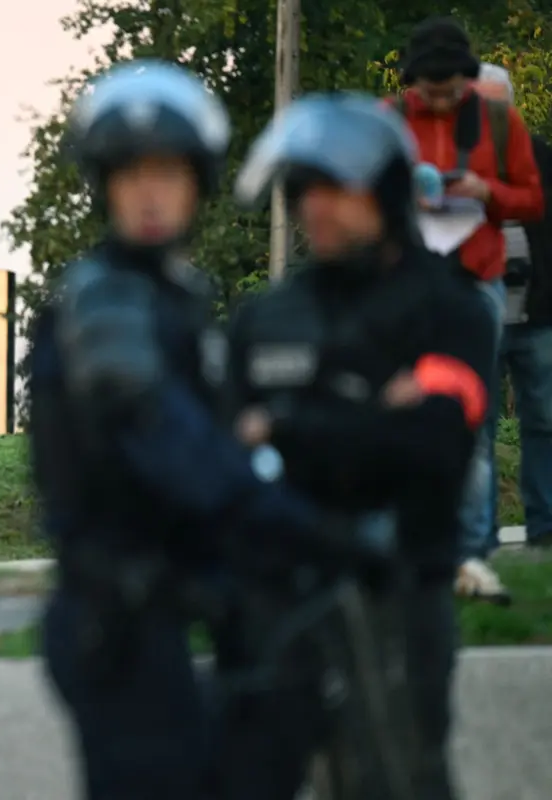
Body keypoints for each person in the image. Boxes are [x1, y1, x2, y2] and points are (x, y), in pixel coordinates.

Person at [28, 61, 384, 800]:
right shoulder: (106, 303)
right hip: (117, 624)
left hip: (162, 607)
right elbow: (172, 446)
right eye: (131, 175)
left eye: (168, 171)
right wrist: (306, 530)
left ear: (197, 182)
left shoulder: (170, 298)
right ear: (104, 186)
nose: (150, 192)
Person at [223, 93, 496, 800]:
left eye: (337, 187)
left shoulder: (450, 309)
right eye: (306, 187)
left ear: (384, 192)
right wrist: (373, 415)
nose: (318, 205)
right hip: (282, 602)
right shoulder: (266, 317)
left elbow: (434, 450)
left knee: (401, 781)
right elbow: (224, 454)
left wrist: (285, 426)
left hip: (401, 595)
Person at [389, 16, 544, 600]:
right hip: (406, 279)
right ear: (412, 83)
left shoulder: (500, 122)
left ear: (468, 78)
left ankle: (474, 555)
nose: (443, 99)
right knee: (402, 408)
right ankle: (415, 547)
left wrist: (487, 192)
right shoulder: (389, 120)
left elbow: (531, 199)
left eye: (453, 88)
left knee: (471, 416)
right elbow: (356, 188)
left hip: (475, 278)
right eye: (431, 91)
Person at [475, 64, 552, 552]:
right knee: (475, 426)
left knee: (545, 419)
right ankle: (477, 533)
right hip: (476, 317)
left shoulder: (543, 160)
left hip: (539, 315)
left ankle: (547, 528)